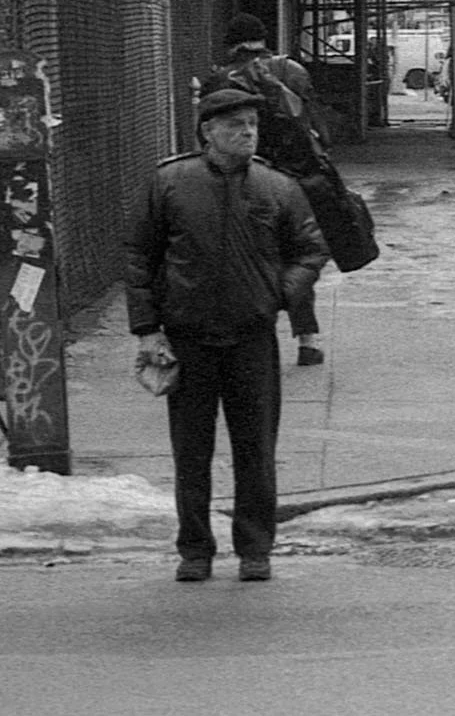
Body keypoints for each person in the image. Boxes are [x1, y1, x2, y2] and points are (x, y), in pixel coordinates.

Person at [124, 86, 330, 583]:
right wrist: (147, 330)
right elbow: (139, 258)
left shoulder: (276, 187)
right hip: (188, 338)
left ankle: (255, 548)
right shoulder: (170, 183)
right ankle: (195, 549)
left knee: (255, 449)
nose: (247, 132)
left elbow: (311, 250)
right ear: (207, 132)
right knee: (191, 452)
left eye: (253, 125)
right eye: (235, 124)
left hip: (251, 337)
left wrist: (278, 294)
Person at [210, 13, 333, 366]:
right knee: (298, 255)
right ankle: (307, 339)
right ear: (264, 38)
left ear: (232, 43)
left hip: (244, 178)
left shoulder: (221, 79)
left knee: (245, 255)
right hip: (295, 180)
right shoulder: (292, 70)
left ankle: (248, 333)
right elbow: (318, 129)